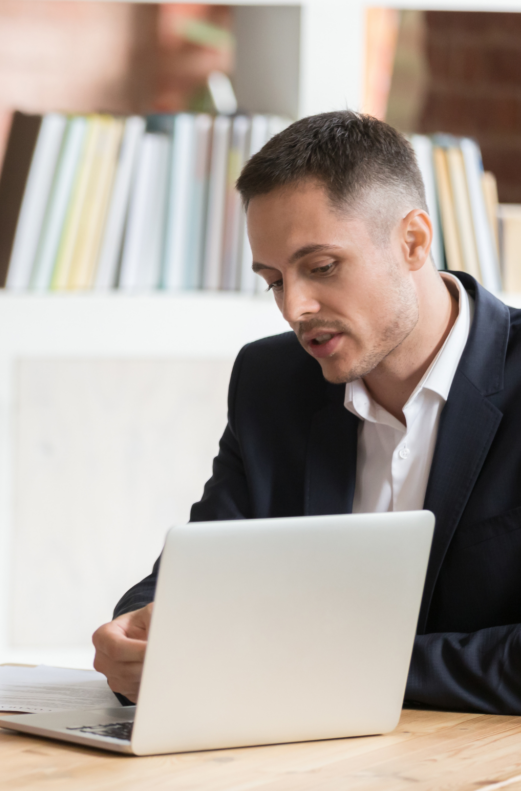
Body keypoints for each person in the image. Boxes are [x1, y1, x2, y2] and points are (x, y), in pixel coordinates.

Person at [93, 111, 521, 715]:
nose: (295, 307)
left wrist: (313, 662)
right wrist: (134, 638)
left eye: (321, 268)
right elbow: (199, 568)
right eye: (273, 280)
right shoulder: (272, 384)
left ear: (413, 242)